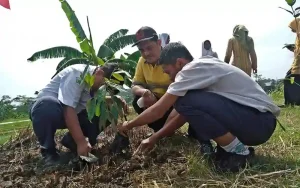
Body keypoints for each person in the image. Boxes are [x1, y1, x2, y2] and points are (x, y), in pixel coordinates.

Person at [118, 42, 280, 173]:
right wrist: (155, 137)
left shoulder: (189, 70)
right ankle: (232, 148)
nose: (170, 77)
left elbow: (160, 109)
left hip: (259, 123)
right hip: (260, 121)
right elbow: (179, 115)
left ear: (179, 63)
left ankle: (239, 153)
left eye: (168, 72)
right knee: (185, 102)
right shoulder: (203, 65)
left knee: (185, 101)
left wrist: (129, 125)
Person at [130, 26, 214, 154]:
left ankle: (202, 138)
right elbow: (135, 84)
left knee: (190, 101)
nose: (146, 53)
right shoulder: (142, 61)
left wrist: (131, 126)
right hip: (157, 103)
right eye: (142, 50)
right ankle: (163, 131)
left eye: (149, 48)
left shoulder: (173, 59)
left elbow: (187, 91)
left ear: (159, 43)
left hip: (176, 101)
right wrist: (145, 92)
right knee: (138, 100)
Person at [29, 63, 128, 166]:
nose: (103, 89)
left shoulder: (94, 83)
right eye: (104, 85)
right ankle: (49, 152)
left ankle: (72, 141)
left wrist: (114, 101)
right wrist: (81, 141)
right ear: (99, 73)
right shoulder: (77, 74)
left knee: (110, 107)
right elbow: (68, 108)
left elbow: (90, 102)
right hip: (48, 110)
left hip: (72, 114)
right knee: (47, 104)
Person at [282, 18, 300, 106]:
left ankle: (290, 102)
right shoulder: (298, 36)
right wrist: (292, 48)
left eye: (292, 27)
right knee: (289, 80)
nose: (291, 30)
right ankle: (290, 102)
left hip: (298, 65)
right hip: (296, 64)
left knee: (288, 79)